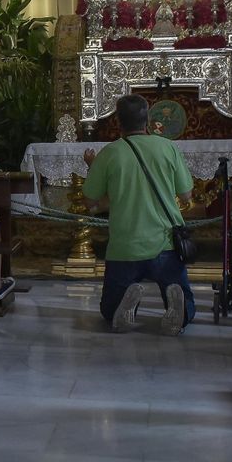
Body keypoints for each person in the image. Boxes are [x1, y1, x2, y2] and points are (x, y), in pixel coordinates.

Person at [82, 94, 195, 336]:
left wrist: (96, 169)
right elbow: (186, 195)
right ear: (148, 121)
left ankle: (123, 307)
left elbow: (90, 200)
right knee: (187, 305)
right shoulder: (168, 148)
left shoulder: (109, 154)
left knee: (108, 311)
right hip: (166, 245)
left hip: (125, 246)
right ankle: (179, 310)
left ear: (118, 123)